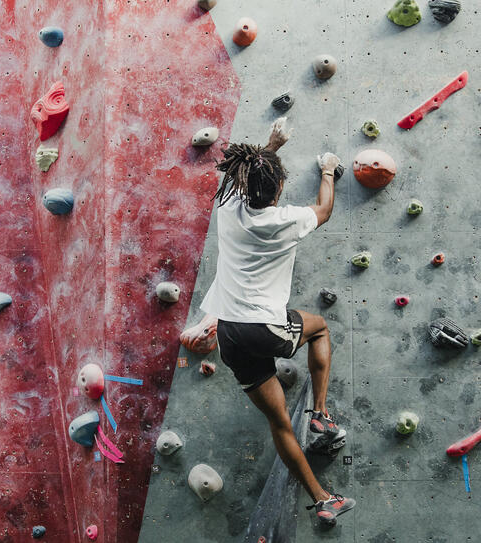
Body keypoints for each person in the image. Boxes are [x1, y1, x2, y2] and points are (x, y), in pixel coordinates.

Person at [199, 118, 355, 526]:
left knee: (279, 422)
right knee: (319, 327)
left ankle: (323, 500)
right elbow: (324, 209)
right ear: (280, 190)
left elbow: (243, 174)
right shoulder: (285, 220)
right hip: (263, 327)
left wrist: (271, 144)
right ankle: (320, 413)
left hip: (230, 332)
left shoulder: (228, 208)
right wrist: (327, 169)